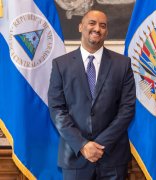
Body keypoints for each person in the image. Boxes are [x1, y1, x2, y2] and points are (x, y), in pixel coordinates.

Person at [48, 10, 136, 180]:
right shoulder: (61, 65)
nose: (97, 28)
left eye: (103, 26)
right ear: (81, 26)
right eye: (92, 23)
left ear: (106, 32)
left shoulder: (123, 64)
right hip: (75, 158)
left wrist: (99, 145)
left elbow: (127, 109)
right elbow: (57, 109)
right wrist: (83, 145)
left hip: (113, 158)